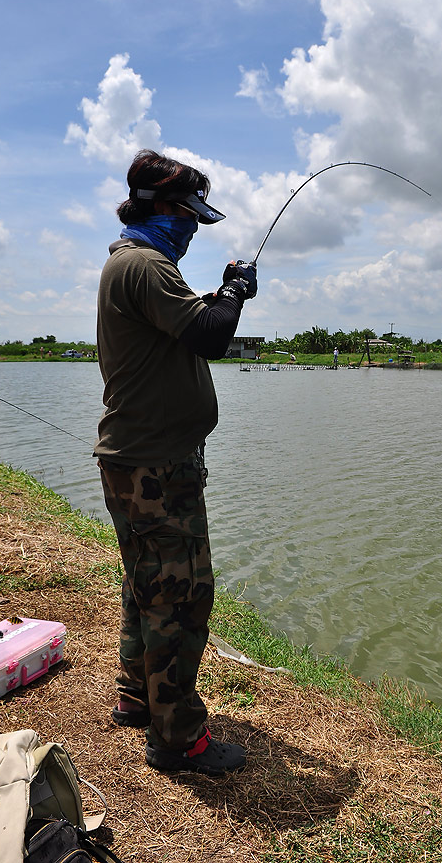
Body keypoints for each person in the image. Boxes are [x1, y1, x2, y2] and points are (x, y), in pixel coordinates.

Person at [94, 149, 257, 776]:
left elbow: (195, 326)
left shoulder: (131, 265)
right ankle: (177, 738)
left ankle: (138, 697)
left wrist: (221, 293)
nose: (192, 227)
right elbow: (213, 333)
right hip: (158, 470)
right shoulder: (146, 265)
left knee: (147, 587)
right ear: (160, 208)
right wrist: (237, 287)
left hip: (139, 462)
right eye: (188, 215)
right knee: (181, 598)